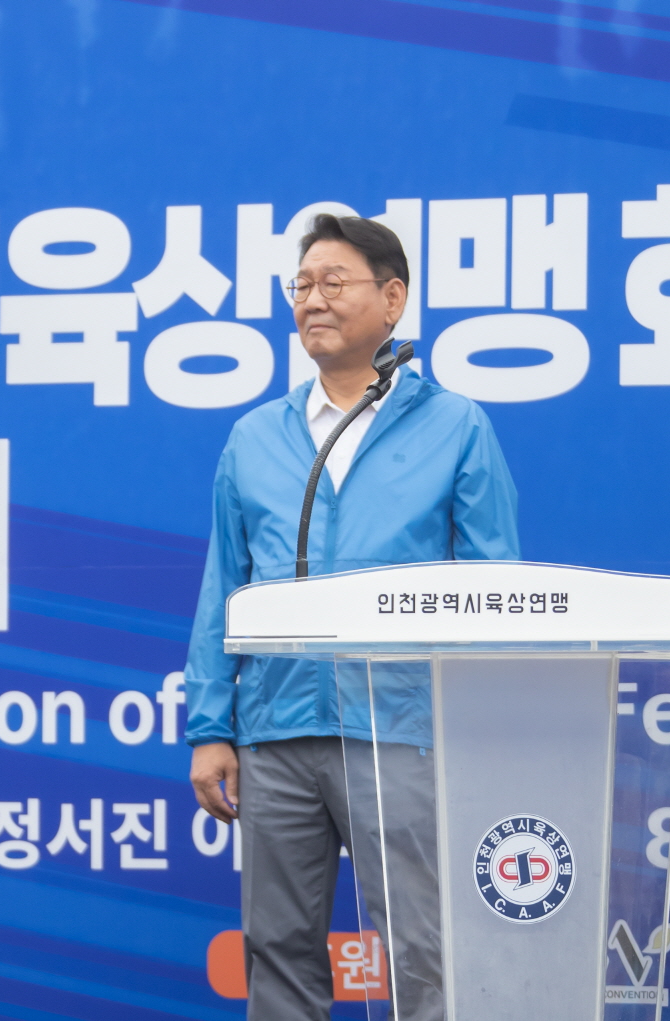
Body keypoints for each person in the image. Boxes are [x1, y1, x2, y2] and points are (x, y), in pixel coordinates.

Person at [183, 214, 519, 1021]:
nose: (312, 300)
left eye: (333, 282)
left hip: (401, 727)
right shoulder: (254, 436)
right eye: (300, 285)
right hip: (276, 731)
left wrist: (480, 728)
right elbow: (224, 585)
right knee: (277, 949)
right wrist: (209, 726)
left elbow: (495, 589)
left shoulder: (454, 426)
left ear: (391, 298)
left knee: (425, 947)